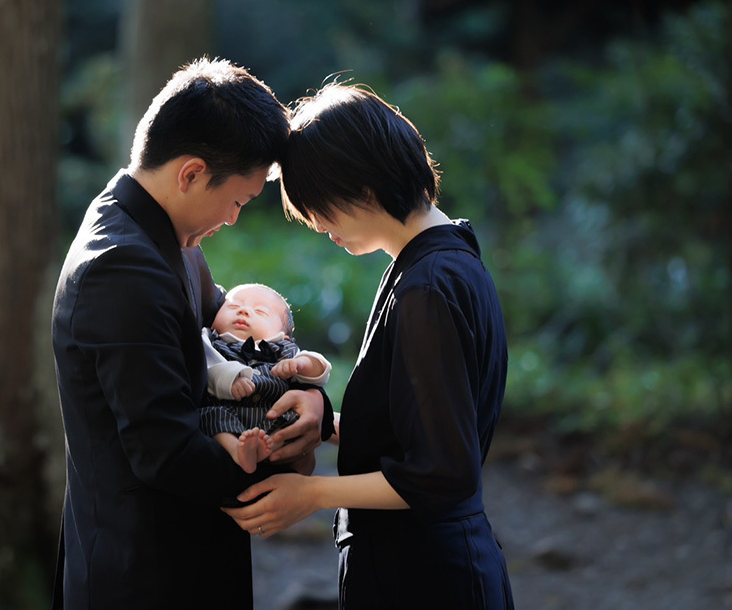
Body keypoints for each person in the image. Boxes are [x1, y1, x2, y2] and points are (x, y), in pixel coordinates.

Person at [50, 58, 334, 609]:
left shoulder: (164, 235)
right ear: (191, 173)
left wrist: (306, 400)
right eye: (238, 201)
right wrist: (289, 461)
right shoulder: (122, 265)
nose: (232, 219)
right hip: (144, 571)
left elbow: (235, 342)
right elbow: (163, 450)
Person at [223, 83, 515, 609]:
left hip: (425, 578)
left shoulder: (427, 286)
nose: (317, 225)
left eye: (317, 206)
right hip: (429, 568)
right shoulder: (444, 260)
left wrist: (310, 495)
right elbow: (421, 428)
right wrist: (326, 427)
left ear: (361, 183)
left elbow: (443, 473)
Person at [200, 283, 332, 473]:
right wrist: (229, 378)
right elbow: (205, 366)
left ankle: (279, 454)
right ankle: (238, 450)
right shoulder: (210, 340)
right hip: (227, 412)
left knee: (292, 421)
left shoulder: (283, 349)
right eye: (233, 307)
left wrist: (301, 364)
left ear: (282, 335)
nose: (244, 311)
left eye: (260, 312)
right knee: (210, 416)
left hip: (272, 417)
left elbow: (320, 370)